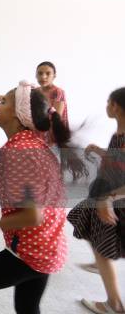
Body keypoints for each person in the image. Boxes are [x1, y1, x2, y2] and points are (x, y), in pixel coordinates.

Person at [0, 81, 72, 313]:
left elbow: (33, 216)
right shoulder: (32, 144)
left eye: (3, 102)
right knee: (27, 307)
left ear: (18, 114)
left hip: (31, 249)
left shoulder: (19, 151)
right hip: (49, 246)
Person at [68, 87, 125, 314]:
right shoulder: (118, 134)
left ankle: (115, 304)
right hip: (105, 193)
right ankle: (101, 264)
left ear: (116, 107)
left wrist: (109, 199)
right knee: (92, 232)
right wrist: (101, 152)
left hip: (113, 198)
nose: (106, 106)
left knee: (102, 242)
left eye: (108, 102)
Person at [0, 61, 68, 146]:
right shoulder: (35, 91)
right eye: (40, 73)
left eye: (48, 73)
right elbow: (11, 99)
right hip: (38, 133)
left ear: (54, 76)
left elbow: (57, 116)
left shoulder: (58, 92)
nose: (43, 77)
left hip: (53, 135)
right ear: (35, 75)